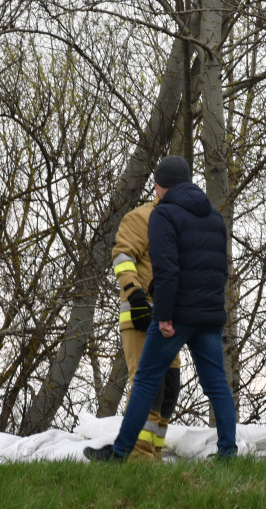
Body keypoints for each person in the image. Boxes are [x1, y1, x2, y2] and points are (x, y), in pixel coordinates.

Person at [85, 156, 237, 462]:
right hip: (208, 314)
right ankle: (227, 452)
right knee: (215, 384)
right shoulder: (212, 217)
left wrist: (163, 313)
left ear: (159, 185)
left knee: (147, 382)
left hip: (171, 312)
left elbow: (168, 271)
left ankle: (123, 452)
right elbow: (219, 269)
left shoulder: (161, 215)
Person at [110, 180, 182, 461]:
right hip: (140, 315)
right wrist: (134, 294)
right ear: (157, 187)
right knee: (147, 386)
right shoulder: (140, 218)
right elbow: (122, 255)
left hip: (167, 320)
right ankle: (138, 457)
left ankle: (153, 453)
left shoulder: (180, 223)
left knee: (169, 389)